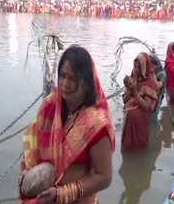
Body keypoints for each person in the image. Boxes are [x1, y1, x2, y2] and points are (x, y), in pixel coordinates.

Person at [19, 45, 115, 204]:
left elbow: (104, 177)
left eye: (73, 78)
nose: (65, 83)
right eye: (62, 76)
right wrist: (28, 173)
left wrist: (62, 194)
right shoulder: (49, 107)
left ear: (87, 82)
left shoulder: (95, 124)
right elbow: (35, 150)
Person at [121, 52, 158, 150]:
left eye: (139, 67)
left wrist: (135, 91)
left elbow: (146, 107)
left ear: (144, 67)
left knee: (138, 148)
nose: (136, 69)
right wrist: (129, 88)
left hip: (141, 120)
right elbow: (125, 101)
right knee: (127, 148)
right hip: (129, 117)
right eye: (135, 66)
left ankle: (139, 151)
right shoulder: (132, 78)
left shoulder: (150, 82)